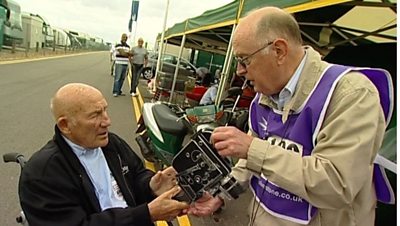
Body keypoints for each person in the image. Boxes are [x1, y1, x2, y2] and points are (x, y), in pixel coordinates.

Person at [188, 7, 394, 226]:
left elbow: (336, 184)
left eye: (244, 60)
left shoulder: (351, 94)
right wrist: (221, 196)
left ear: (278, 51)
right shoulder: (263, 97)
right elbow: (249, 162)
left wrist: (252, 148)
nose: (239, 71)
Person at [19, 83, 189, 226]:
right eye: (95, 115)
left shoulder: (110, 143)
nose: (107, 121)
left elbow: (136, 174)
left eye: (105, 111)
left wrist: (151, 185)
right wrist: (146, 214)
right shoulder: (42, 174)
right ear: (65, 125)